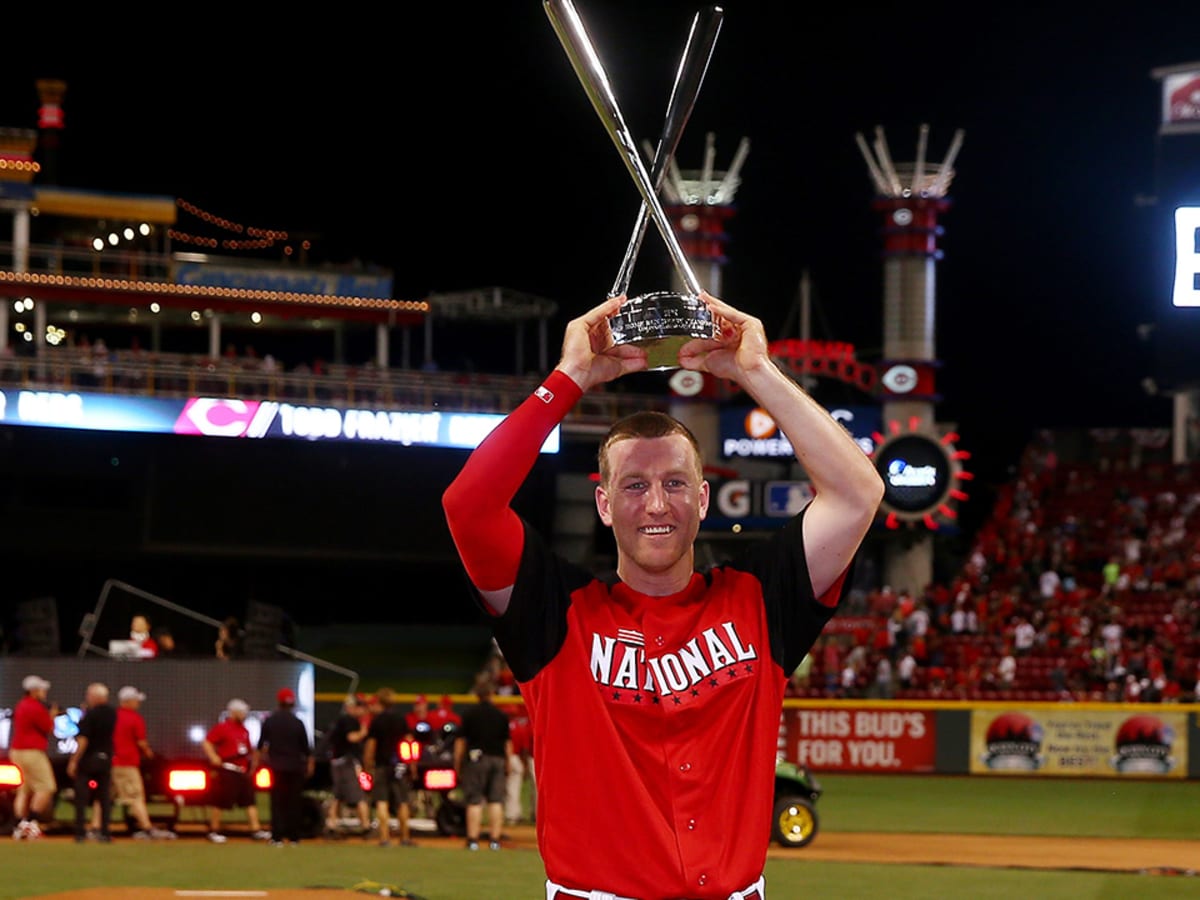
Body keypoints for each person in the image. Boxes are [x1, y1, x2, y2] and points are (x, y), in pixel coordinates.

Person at [442, 291, 883, 899]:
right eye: (633, 485)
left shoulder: (758, 597)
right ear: (602, 503)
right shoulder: (553, 611)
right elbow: (468, 508)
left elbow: (858, 494)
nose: (656, 504)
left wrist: (755, 371)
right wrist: (569, 377)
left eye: (676, 483)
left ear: (703, 500)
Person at [94, 685, 175, 840]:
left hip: (109, 763)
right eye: (136, 700)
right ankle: (147, 828)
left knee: (103, 796)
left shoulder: (111, 716)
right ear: (129, 701)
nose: (138, 703)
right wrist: (150, 754)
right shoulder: (134, 718)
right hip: (126, 764)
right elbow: (141, 742)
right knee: (136, 796)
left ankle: (96, 827)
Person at [453, 676, 511, 851]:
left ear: (477, 694)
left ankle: (473, 840)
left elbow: (461, 742)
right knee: (495, 801)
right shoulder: (501, 715)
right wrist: (507, 762)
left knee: (474, 800)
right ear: (492, 694)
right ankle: (495, 840)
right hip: (498, 758)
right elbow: (508, 744)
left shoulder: (469, 714)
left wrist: (457, 763)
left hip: (476, 759)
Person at [203, 698, 270, 843]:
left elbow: (247, 750)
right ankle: (214, 830)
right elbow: (207, 742)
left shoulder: (244, 730)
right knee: (221, 801)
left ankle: (255, 829)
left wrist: (257, 755)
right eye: (242, 712)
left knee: (249, 800)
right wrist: (213, 757)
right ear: (233, 712)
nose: (244, 715)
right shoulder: (223, 727)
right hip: (228, 769)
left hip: (242, 770)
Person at [257, 687, 314, 846]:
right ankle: (294, 837)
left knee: (277, 802)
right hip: (295, 768)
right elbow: (306, 749)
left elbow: (261, 745)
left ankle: (277, 837)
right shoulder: (298, 722)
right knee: (294, 802)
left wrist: (260, 762)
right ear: (292, 703)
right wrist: (309, 766)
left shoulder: (270, 720)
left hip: (277, 768)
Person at [361, 687, 415, 847]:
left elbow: (371, 745)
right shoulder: (401, 719)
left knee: (381, 801)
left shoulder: (377, 721)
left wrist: (367, 765)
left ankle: (385, 838)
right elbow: (409, 742)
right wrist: (411, 764)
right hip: (398, 765)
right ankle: (405, 837)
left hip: (382, 765)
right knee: (402, 801)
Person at [67, 682, 117, 843]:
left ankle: (80, 832)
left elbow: (83, 739)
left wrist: (74, 760)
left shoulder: (90, 715)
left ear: (95, 697)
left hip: (89, 759)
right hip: (106, 758)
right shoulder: (112, 714)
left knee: (81, 797)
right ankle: (105, 832)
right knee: (104, 797)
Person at [11, 675, 59, 840]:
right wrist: (52, 714)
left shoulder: (21, 705)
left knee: (24, 790)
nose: (44, 692)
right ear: (34, 691)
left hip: (17, 751)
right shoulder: (35, 707)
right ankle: (31, 822)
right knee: (46, 787)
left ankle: (20, 824)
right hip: (32, 751)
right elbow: (48, 727)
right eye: (41, 689)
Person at [321, 694, 371, 838]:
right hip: (346, 762)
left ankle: (331, 825)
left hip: (338, 761)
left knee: (338, 796)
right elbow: (351, 737)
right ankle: (365, 826)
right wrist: (363, 731)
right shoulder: (348, 720)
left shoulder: (341, 720)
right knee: (358, 796)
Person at [505, 709, 534, 827]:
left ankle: (512, 815)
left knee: (509, 789)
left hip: (505, 758)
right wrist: (525, 763)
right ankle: (516, 814)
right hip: (516, 758)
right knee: (514, 788)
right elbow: (525, 748)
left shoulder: (502, 726)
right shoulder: (519, 726)